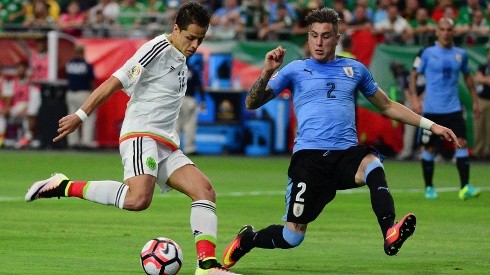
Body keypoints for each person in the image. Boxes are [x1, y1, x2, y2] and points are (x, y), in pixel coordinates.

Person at [221, 7, 459, 270]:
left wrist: (431, 124)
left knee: (373, 164)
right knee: (292, 236)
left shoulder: (355, 70)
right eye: (313, 36)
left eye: (325, 36)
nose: (319, 43)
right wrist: (266, 72)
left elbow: (388, 105)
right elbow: (252, 102)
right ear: (308, 37)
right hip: (309, 159)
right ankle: (248, 239)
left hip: (346, 154)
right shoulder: (295, 70)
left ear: (337, 38)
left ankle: (389, 232)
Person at [25, 3, 238, 275]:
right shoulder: (156, 49)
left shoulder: (181, 56)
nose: (195, 45)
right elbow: (115, 81)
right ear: (176, 29)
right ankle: (63, 186)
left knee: (205, 191)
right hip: (142, 134)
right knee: (138, 200)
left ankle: (207, 267)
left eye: (201, 39)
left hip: (166, 142)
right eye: (191, 37)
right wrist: (81, 114)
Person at [409, 17, 481, 200]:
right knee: (430, 149)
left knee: (462, 143)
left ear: (453, 32)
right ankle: (429, 187)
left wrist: (475, 101)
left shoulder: (460, 54)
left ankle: (465, 187)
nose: (446, 32)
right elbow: (413, 75)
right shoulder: (426, 52)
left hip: (453, 108)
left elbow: (468, 78)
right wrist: (415, 100)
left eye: (449, 29)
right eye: (443, 29)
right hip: (432, 110)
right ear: (437, 31)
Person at [65, 44, 97, 149]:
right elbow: (91, 81)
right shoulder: (87, 65)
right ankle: (86, 142)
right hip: (83, 93)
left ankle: (72, 142)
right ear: (83, 52)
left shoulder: (69, 64)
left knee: (71, 116)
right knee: (88, 117)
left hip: (70, 93)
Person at [176, 54, 205, 155]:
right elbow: (200, 86)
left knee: (176, 125)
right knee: (190, 125)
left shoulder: (174, 69)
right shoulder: (192, 70)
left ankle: (175, 148)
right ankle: (190, 148)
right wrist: (203, 100)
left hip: (176, 98)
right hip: (189, 99)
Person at [473, 48, 490, 159]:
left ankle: (488, 152)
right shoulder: (483, 67)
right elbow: (477, 78)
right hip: (482, 100)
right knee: (479, 126)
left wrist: (484, 79)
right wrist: (486, 80)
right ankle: (477, 152)